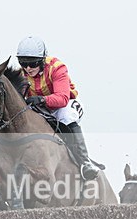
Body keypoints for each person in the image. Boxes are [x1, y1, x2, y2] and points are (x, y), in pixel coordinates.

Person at [16, 35, 101, 181]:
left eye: (33, 63)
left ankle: (85, 162)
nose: (28, 68)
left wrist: (42, 99)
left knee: (66, 116)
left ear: (42, 60)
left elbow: (62, 98)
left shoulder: (57, 68)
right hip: (41, 107)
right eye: (23, 63)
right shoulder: (22, 73)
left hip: (65, 103)